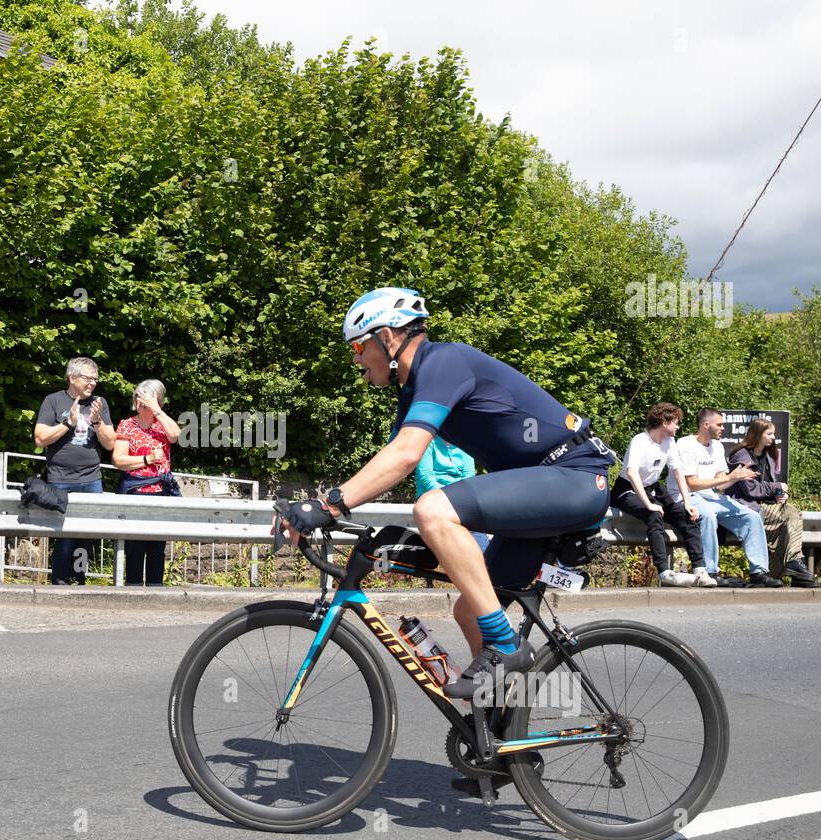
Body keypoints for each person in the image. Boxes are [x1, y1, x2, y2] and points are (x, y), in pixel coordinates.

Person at [278, 287, 615, 705]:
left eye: (359, 346)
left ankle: (505, 647)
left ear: (387, 337)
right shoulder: (413, 389)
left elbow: (405, 456)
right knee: (468, 609)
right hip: (544, 487)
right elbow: (388, 462)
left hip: (574, 476)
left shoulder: (443, 361)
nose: (356, 359)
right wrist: (325, 506)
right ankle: (501, 736)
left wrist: (328, 505)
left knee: (433, 509)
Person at [664, 408, 782, 588]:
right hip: (688, 496)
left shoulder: (717, 446)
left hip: (712, 496)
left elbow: (720, 484)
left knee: (751, 516)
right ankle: (710, 572)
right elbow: (692, 483)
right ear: (706, 425)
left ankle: (759, 572)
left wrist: (736, 476)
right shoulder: (685, 444)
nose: (722, 428)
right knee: (708, 516)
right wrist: (729, 478)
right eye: (719, 424)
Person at [610, 402, 715, 587]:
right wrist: (649, 504)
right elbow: (631, 473)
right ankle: (664, 572)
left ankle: (700, 570)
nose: (678, 426)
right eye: (676, 422)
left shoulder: (669, 441)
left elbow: (677, 471)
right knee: (654, 514)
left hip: (653, 487)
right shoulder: (640, 441)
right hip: (627, 489)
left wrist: (688, 502)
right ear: (664, 422)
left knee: (688, 516)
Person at [33, 357, 115, 584]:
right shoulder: (54, 401)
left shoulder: (100, 403)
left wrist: (98, 423)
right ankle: (59, 581)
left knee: (86, 535)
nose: (93, 383)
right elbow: (40, 439)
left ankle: (79, 580)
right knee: (64, 536)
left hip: (91, 479)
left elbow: (110, 444)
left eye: (95, 379)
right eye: (88, 378)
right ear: (72, 377)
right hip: (60, 479)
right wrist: (68, 423)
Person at [727, 418, 818, 587]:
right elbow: (751, 490)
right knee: (790, 516)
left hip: (763, 505)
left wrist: (779, 495)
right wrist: (776, 486)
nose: (773, 437)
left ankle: (791, 568)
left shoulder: (767, 455)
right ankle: (792, 564)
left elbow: (767, 486)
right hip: (745, 506)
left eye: (774, 433)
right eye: (769, 434)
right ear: (757, 434)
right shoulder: (742, 455)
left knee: (791, 512)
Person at [113, 379, 182, 586]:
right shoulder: (127, 425)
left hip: (161, 492)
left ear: (158, 401)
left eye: (146, 397)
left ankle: (156, 588)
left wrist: (157, 411)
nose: (140, 401)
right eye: (138, 396)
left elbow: (175, 436)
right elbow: (119, 460)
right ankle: (133, 588)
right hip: (136, 490)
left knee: (156, 547)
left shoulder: (163, 424)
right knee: (135, 546)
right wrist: (146, 460)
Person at [415, 436, 490, 552]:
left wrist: (457, 497)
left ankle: (485, 560)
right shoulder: (428, 442)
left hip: (458, 494)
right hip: (432, 494)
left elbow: (468, 476)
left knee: (475, 519)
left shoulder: (464, 444)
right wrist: (446, 496)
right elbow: (426, 477)